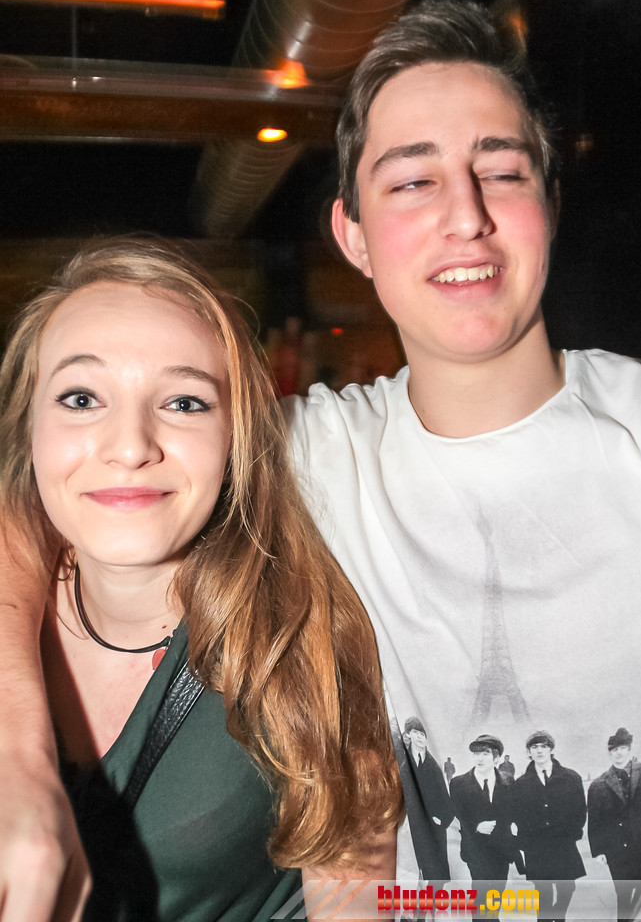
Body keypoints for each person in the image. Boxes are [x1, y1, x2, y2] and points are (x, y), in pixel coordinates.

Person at [1, 0, 641, 919]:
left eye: (501, 170)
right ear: (351, 237)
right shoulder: (310, 450)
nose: (465, 216)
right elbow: (43, 502)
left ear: (549, 206)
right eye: (412, 181)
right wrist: (18, 761)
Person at [0, 240, 401, 921]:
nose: (131, 446)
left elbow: (354, 897)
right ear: (29, 427)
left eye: (185, 402)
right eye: (81, 397)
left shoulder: (304, 643)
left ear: (236, 440)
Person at [588, 727, 641, 922]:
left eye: (622, 748)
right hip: (618, 848)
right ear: (609, 753)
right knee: (623, 892)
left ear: (629, 749)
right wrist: (598, 850)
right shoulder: (598, 785)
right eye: (614, 750)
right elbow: (594, 821)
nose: (618, 753)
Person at [511, 732, 585, 921]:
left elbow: (579, 810)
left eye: (544, 746)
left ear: (551, 749)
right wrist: (527, 839)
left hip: (563, 843)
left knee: (567, 887)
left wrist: (571, 833)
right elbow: (518, 815)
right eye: (534, 747)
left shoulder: (571, 778)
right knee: (542, 891)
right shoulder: (520, 784)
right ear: (529, 752)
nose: (539, 751)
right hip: (536, 847)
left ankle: (558, 917)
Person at [449, 735, 516, 916]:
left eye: (485, 754)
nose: (479, 758)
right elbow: (458, 812)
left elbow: (513, 810)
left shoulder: (508, 781)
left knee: (496, 896)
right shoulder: (458, 783)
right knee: (480, 898)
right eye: (476, 754)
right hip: (476, 849)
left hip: (501, 849)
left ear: (496, 758)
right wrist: (475, 827)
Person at [399, 716, 454, 883]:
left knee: (435, 877)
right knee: (410, 875)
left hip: (433, 827)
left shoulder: (434, 767)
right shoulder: (402, 763)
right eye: (416, 732)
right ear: (408, 735)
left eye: (423, 734)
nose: (420, 737)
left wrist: (441, 820)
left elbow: (445, 800)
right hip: (409, 829)